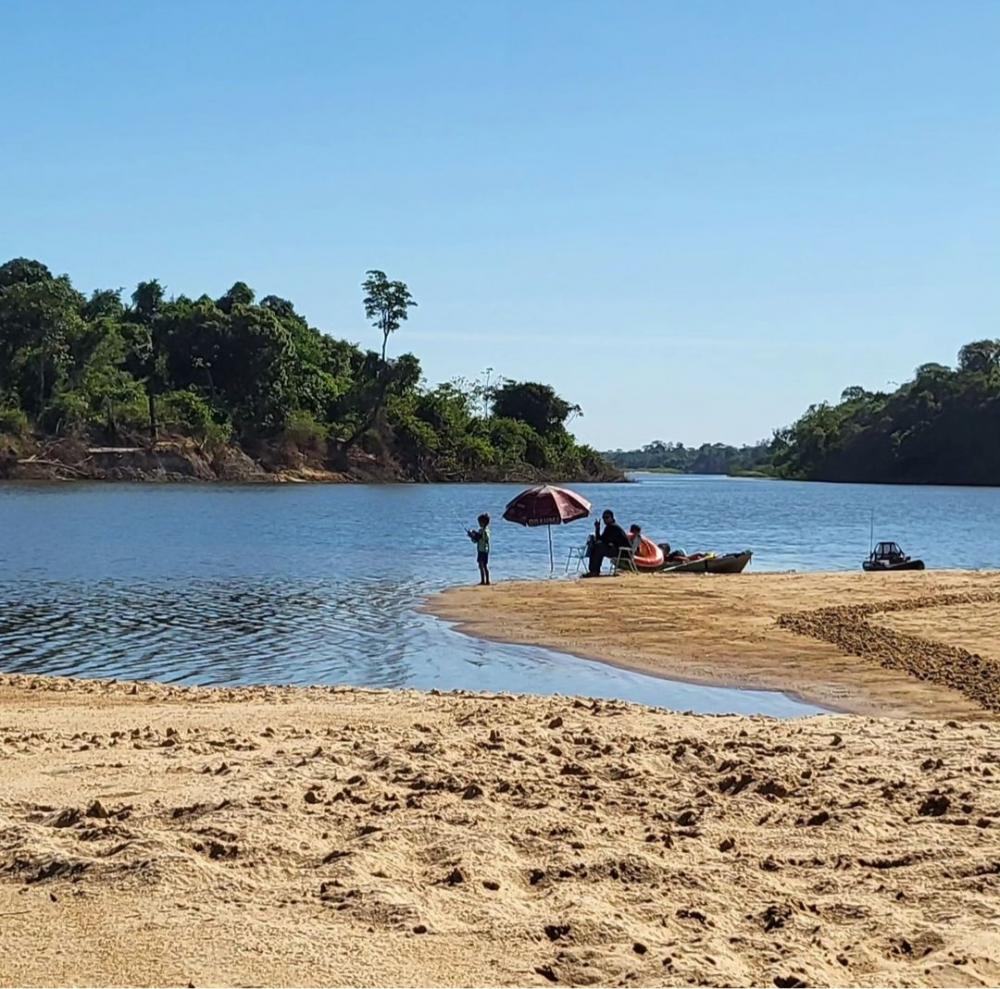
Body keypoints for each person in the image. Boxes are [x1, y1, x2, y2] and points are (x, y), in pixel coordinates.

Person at [584, 509, 631, 576]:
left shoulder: (613, 527)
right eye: (604, 518)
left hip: (623, 552)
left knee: (598, 547)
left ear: (612, 518)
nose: (605, 520)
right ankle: (594, 570)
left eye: (607, 517)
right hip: (619, 550)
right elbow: (601, 539)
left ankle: (594, 571)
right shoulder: (609, 527)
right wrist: (597, 528)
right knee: (597, 546)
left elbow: (603, 540)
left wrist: (597, 540)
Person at [467, 513, 491, 585]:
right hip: (480, 550)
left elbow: (485, 538)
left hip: (484, 550)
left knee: (484, 565)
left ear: (483, 523)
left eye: (480, 522)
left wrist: (477, 534)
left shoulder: (486, 531)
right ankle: (482, 580)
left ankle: (487, 581)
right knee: (480, 565)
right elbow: (476, 540)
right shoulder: (480, 531)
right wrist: (471, 536)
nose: (479, 524)